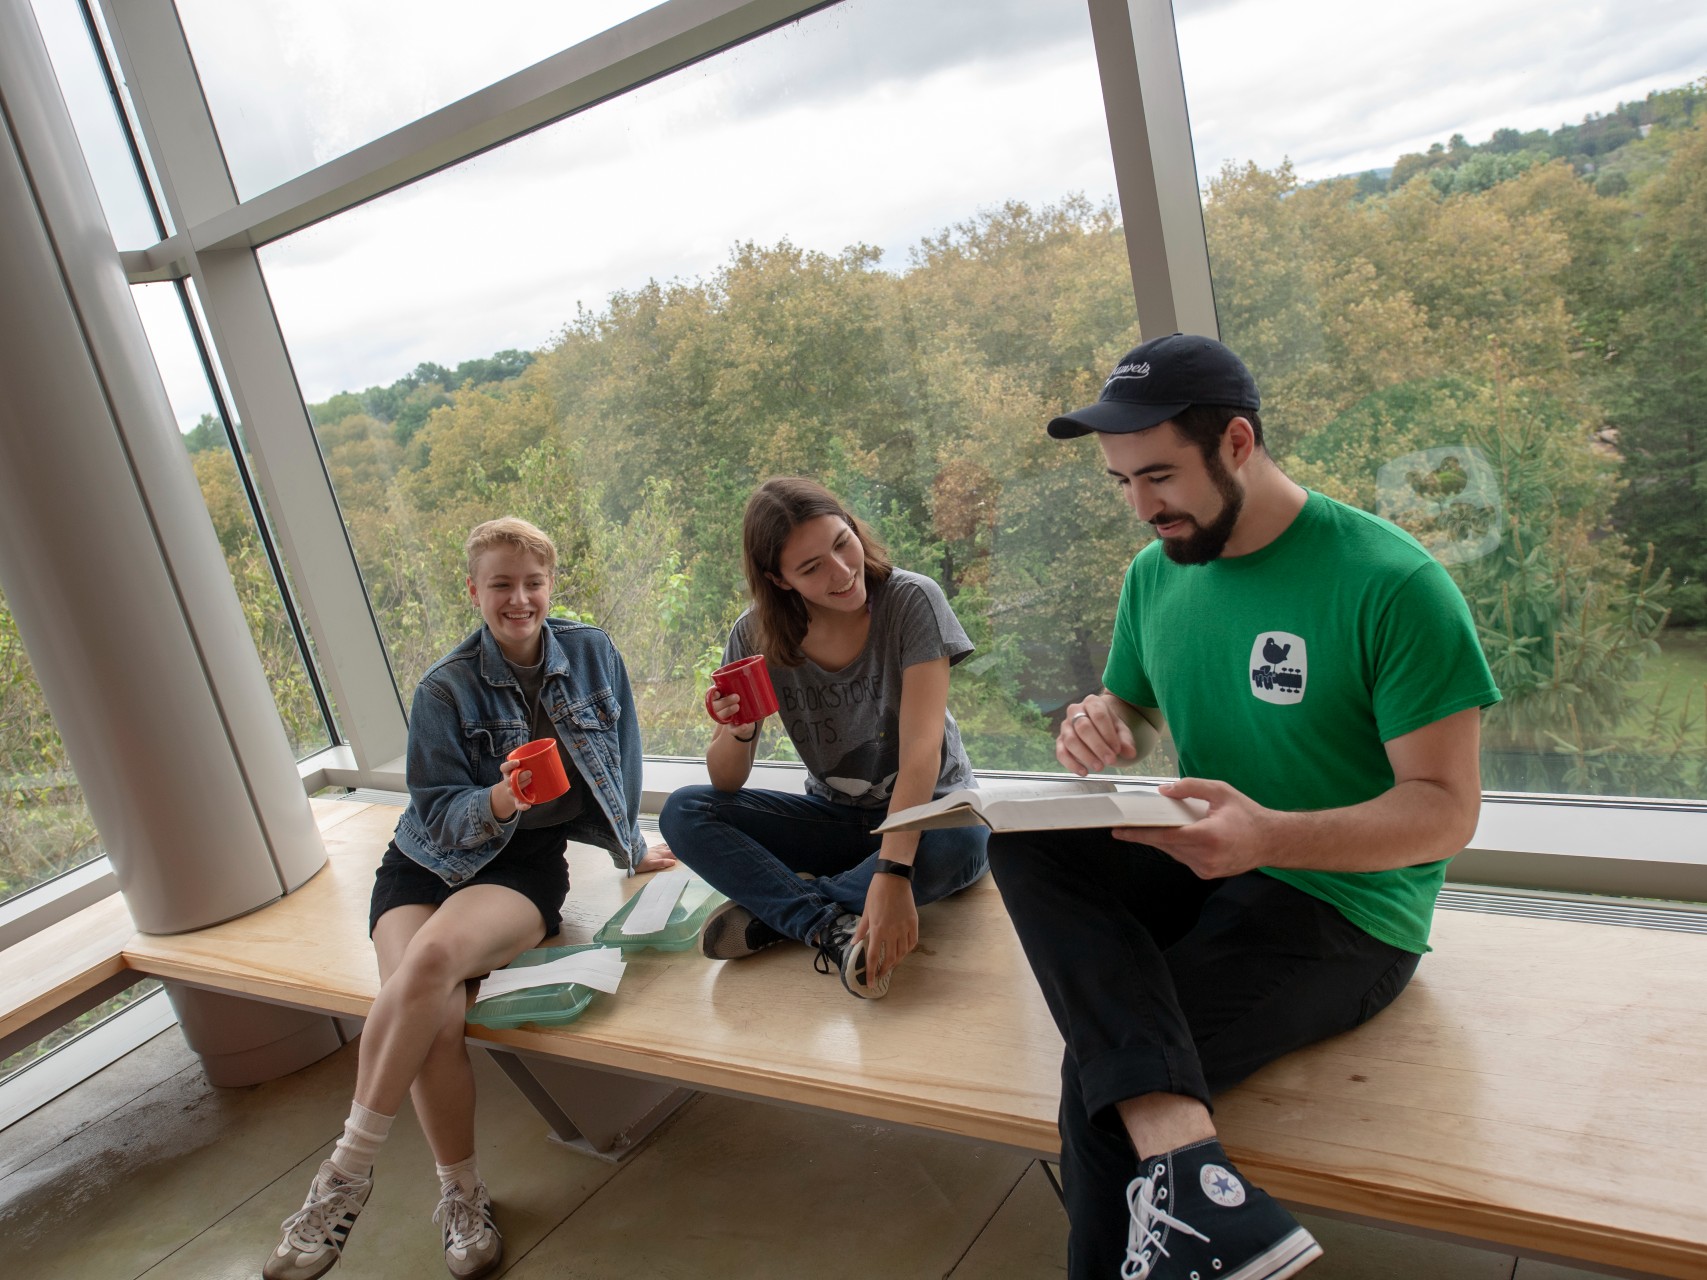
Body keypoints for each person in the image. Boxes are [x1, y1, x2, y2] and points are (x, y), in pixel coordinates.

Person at [988, 334, 1499, 1280]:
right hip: (1209, 855)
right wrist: (1102, 726)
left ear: (1234, 442)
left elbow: (1444, 811)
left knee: (1104, 1089)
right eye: (1122, 484)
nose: (1143, 508)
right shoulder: (1157, 573)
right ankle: (1192, 1175)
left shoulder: (1393, 584)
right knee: (1023, 847)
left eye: (1158, 476)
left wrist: (1269, 836)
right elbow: (1136, 711)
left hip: (1347, 909)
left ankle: (1174, 1201)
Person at [263, 517, 673, 1280]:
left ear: (550, 585)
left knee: (430, 963)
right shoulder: (444, 687)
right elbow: (434, 811)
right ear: (473, 591)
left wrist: (630, 845)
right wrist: (501, 798)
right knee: (435, 1010)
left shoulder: (592, 652)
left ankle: (344, 1172)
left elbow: (620, 757)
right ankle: (461, 1196)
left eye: (532, 583)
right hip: (425, 863)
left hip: (520, 870)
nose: (519, 599)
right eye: (501, 585)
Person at [659, 477, 989, 999]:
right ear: (780, 579)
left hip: (929, 813)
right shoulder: (754, 634)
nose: (841, 572)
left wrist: (893, 872)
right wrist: (739, 729)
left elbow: (923, 754)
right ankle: (828, 924)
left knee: (965, 837)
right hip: (835, 819)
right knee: (683, 811)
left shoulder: (911, 601)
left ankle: (787, 911)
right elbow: (726, 779)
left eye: (842, 543)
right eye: (811, 568)